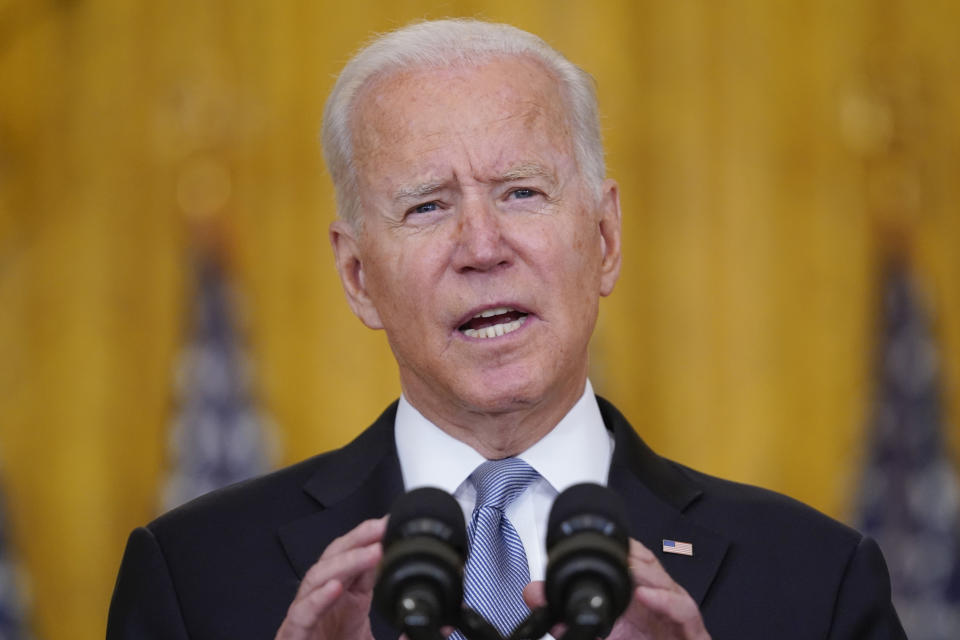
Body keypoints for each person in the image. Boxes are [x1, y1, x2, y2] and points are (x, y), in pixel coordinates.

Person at [107, 19, 906, 640]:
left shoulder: (813, 579)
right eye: (427, 205)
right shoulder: (195, 576)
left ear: (603, 239)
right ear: (358, 277)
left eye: (522, 192)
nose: (482, 247)